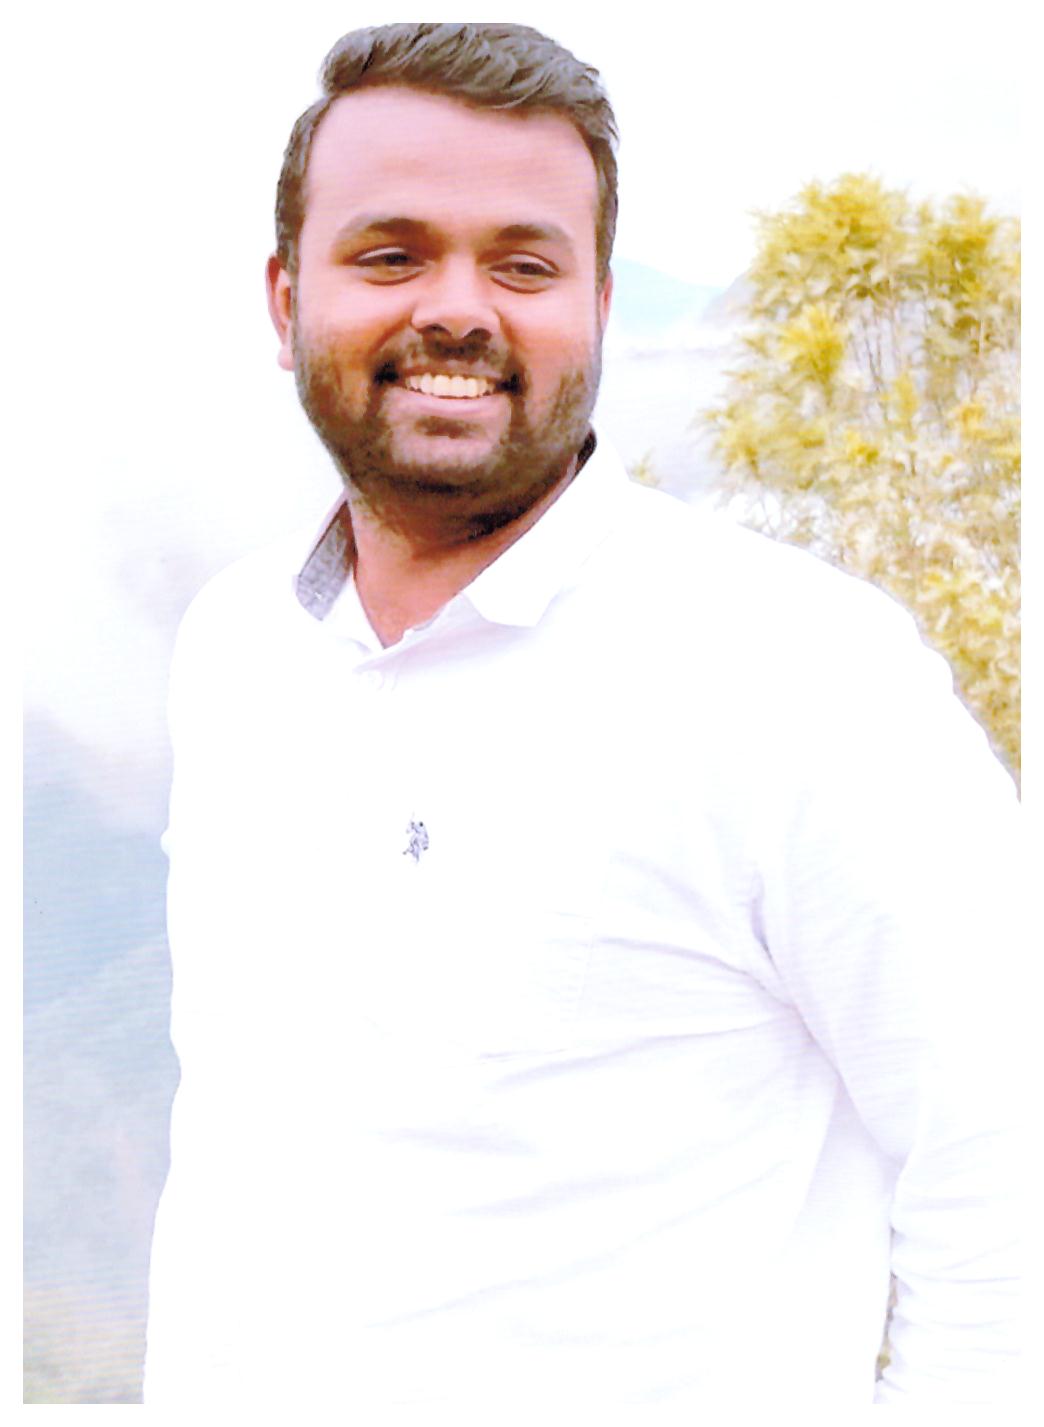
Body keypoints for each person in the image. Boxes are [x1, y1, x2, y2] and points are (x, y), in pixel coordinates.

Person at [144, 22, 1023, 1415]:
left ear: (600, 303)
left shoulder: (801, 676)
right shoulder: (238, 648)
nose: (457, 310)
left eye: (523, 264)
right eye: (390, 254)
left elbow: (1005, 1173)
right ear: (285, 296)